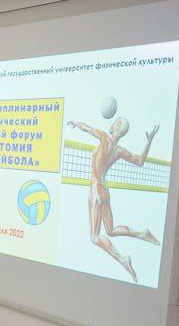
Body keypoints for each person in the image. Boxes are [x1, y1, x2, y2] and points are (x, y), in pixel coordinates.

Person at [67, 116, 162, 282]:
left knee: (94, 237)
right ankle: (142, 233)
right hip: (105, 190)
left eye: (115, 122)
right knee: (110, 231)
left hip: (96, 189)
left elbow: (86, 127)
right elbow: (140, 161)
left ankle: (123, 259)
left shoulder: (104, 137)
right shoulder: (119, 151)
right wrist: (149, 141)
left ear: (117, 127)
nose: (112, 124)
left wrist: (75, 123)